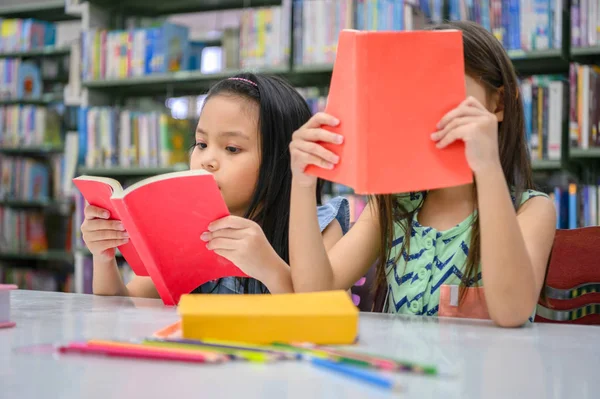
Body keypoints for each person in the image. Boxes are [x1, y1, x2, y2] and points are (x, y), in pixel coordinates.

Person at [288, 21, 556, 327]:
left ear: (499, 103)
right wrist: (303, 182)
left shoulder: (532, 209)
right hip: (403, 373)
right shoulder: (393, 205)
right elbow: (314, 291)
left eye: (442, 90)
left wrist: (488, 168)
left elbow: (512, 312)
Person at [81, 74, 349, 298]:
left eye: (232, 148)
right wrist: (103, 257)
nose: (207, 160)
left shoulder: (321, 225)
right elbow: (125, 308)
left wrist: (268, 267)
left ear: (282, 161)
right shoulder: (186, 232)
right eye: (201, 144)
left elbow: (316, 316)